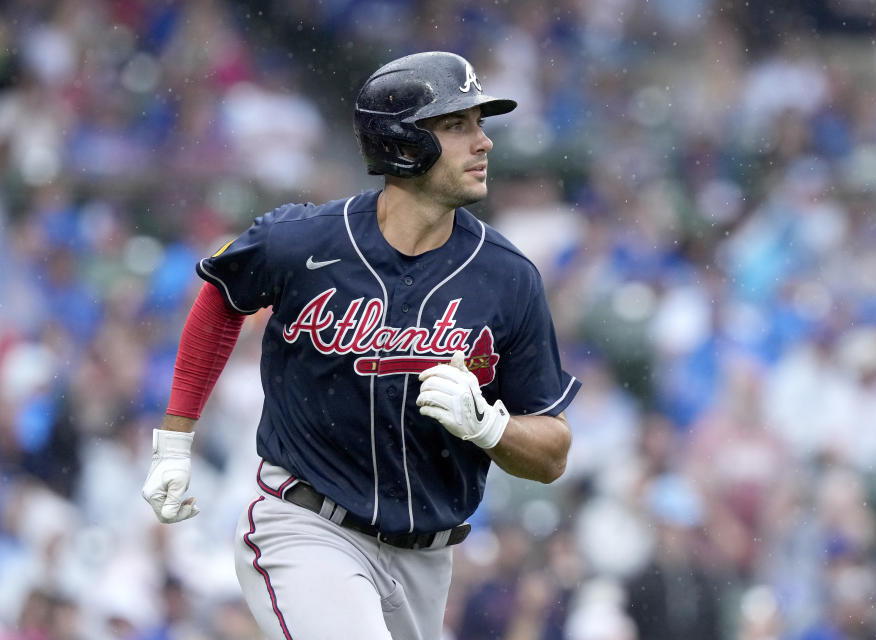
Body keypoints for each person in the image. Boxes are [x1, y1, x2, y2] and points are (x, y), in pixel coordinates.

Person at [141, 51, 581, 640]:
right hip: (306, 525)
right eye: (458, 126)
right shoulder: (302, 240)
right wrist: (174, 441)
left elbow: (552, 451)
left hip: (427, 559)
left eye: (480, 124)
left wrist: (489, 428)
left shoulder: (507, 277)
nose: (484, 142)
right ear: (403, 143)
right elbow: (221, 297)